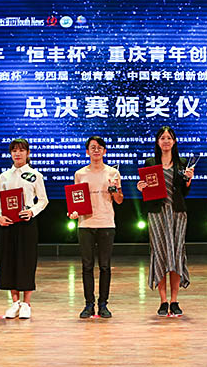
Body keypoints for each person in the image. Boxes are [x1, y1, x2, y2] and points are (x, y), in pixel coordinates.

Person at [137, 126, 193, 317]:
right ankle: (163, 301)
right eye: (163, 138)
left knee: (176, 254)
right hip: (157, 214)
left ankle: (174, 300)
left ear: (174, 141)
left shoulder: (182, 163)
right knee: (160, 254)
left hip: (177, 214)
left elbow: (184, 192)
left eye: (169, 138)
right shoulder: (150, 163)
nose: (166, 141)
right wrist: (141, 187)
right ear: (158, 142)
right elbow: (147, 189)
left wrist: (188, 181)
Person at [0, 138, 48, 319]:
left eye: (21, 150)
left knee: (26, 261)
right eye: (14, 150)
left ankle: (26, 303)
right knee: (9, 261)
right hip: (8, 224)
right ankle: (15, 302)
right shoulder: (4, 176)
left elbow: (43, 200)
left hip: (26, 223)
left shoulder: (35, 175)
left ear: (28, 153)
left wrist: (32, 212)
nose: (17, 153)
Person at [69, 136, 123, 319]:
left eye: (100, 147)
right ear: (87, 152)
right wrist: (74, 212)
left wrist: (114, 191)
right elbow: (76, 200)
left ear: (104, 151)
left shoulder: (113, 173)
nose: (96, 150)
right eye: (93, 147)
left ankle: (103, 304)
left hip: (106, 222)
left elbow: (119, 200)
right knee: (87, 266)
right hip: (86, 224)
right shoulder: (80, 174)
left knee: (105, 266)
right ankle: (89, 304)